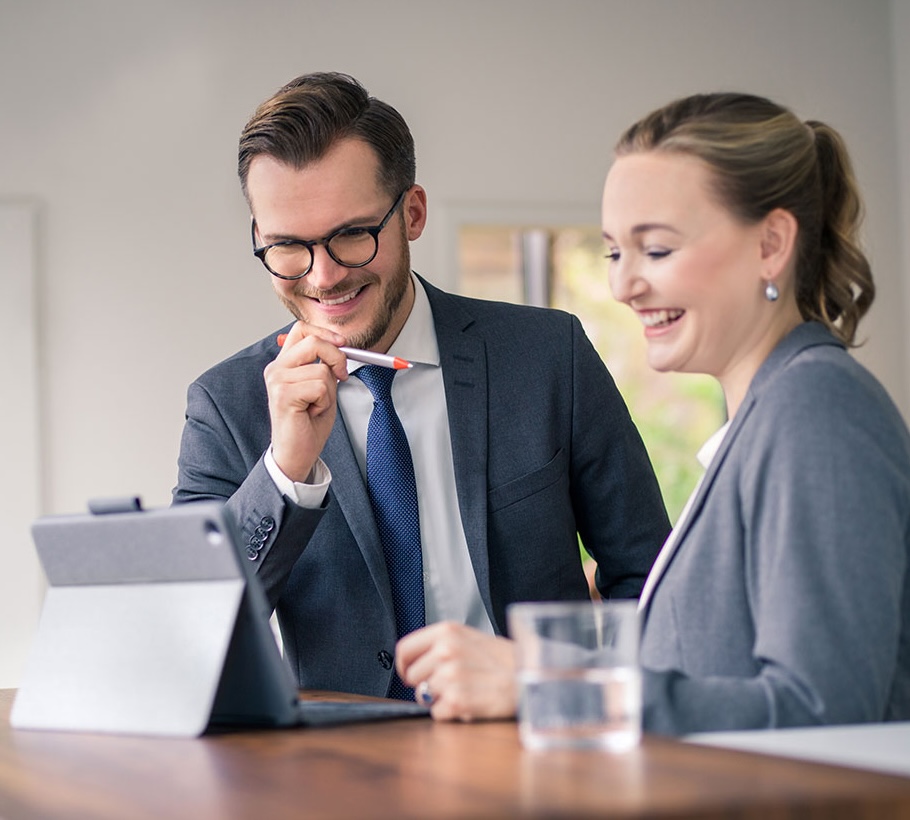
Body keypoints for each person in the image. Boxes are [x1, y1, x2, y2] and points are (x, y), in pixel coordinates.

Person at [173, 72, 670, 716]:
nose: (323, 277)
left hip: (540, 748)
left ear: (412, 212)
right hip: (338, 779)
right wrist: (286, 471)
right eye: (288, 247)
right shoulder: (227, 403)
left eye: (352, 233)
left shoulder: (549, 356)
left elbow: (656, 586)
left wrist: (556, 682)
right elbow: (189, 632)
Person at [598, 92, 910, 734]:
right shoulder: (766, 414)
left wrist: (554, 689)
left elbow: (825, 714)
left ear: (771, 244)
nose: (623, 285)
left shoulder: (816, 409)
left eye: (655, 250)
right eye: (613, 253)